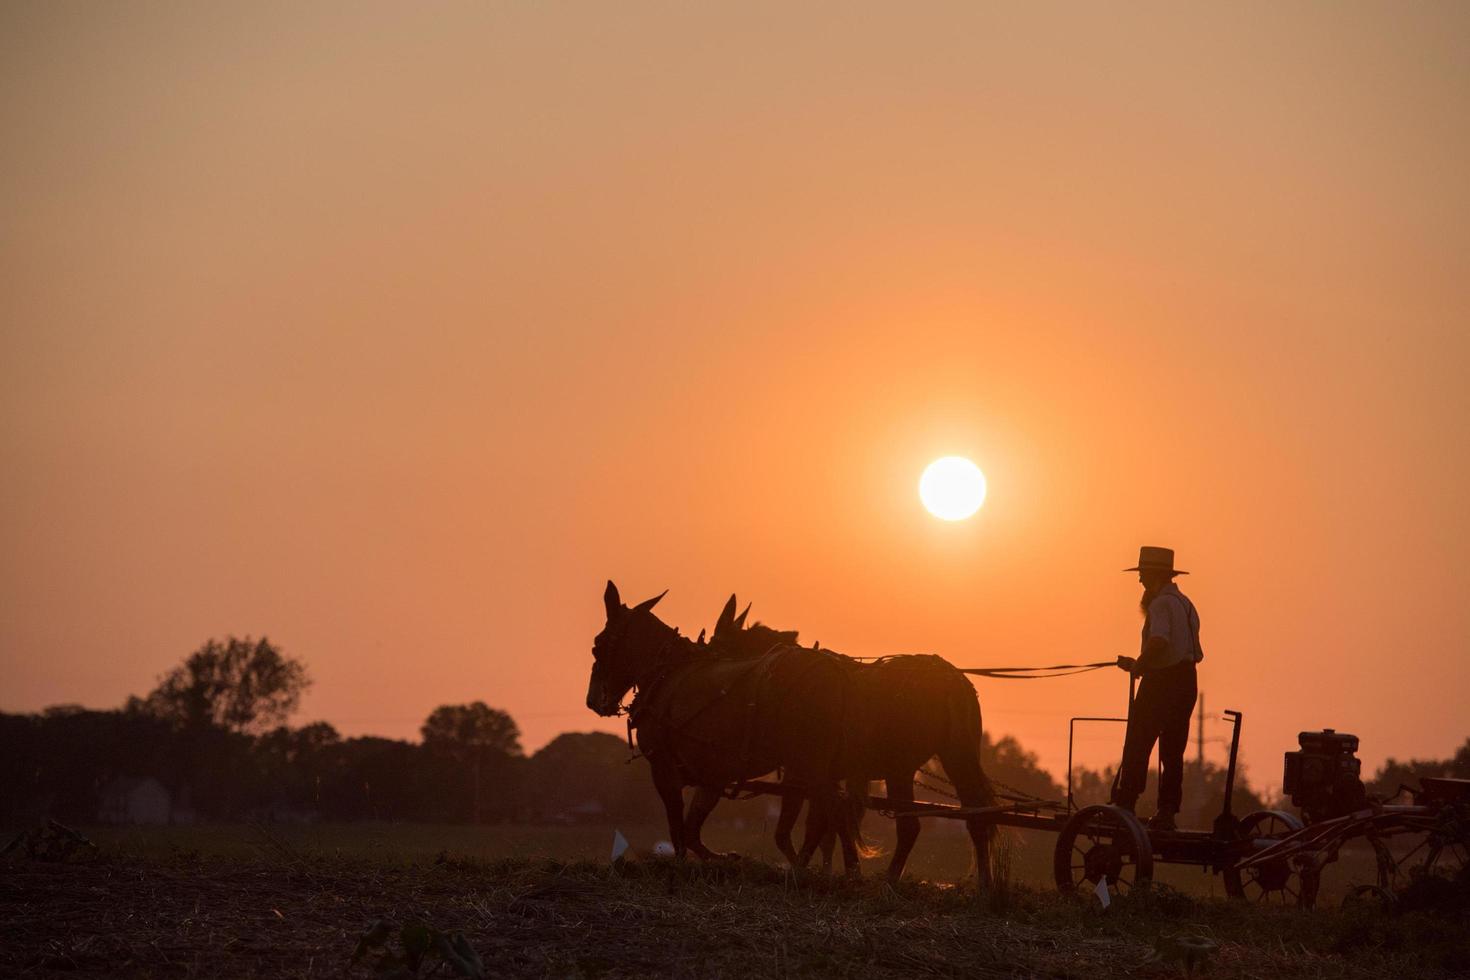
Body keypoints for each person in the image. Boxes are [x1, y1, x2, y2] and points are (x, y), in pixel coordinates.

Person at [1114, 546, 1203, 831]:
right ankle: (1167, 811)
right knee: (1173, 750)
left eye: (1142, 574)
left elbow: (1160, 642)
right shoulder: (1187, 604)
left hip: (1163, 683)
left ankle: (1125, 803)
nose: (1139, 581)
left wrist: (1141, 664)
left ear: (1153, 576)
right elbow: (1179, 649)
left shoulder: (1160, 605)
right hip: (1186, 681)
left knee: (1138, 740)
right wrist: (1139, 663)